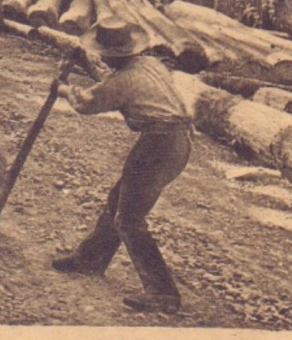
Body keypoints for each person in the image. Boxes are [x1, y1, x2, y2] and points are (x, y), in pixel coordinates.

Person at [51, 17, 194, 314]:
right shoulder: (150, 64)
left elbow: (88, 103)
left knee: (129, 219)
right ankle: (90, 258)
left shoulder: (122, 81)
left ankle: (163, 293)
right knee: (120, 200)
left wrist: (62, 89)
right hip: (176, 140)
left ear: (111, 55)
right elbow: (111, 79)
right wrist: (84, 61)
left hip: (160, 144)